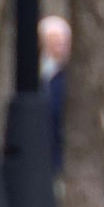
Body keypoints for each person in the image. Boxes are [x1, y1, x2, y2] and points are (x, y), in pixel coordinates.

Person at [39, 14, 73, 176]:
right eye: (54, 40)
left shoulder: (71, 74)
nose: (59, 45)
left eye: (63, 40)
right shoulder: (41, 72)